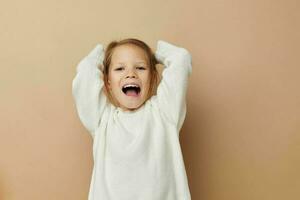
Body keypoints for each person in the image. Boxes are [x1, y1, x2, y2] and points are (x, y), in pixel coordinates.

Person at [72, 38, 192, 200]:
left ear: (151, 79)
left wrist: (155, 56)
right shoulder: (102, 120)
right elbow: (85, 73)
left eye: (141, 67)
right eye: (120, 68)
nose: (130, 74)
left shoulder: (165, 112)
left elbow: (181, 59)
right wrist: (101, 57)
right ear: (108, 82)